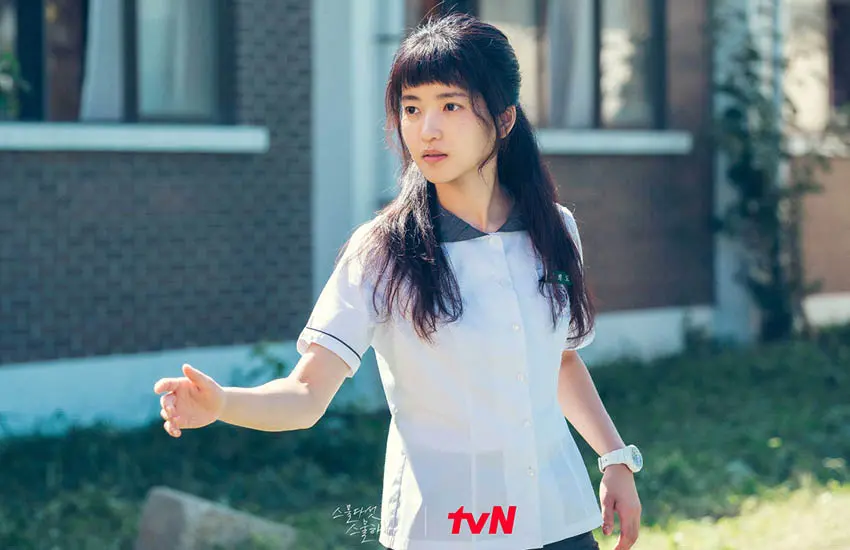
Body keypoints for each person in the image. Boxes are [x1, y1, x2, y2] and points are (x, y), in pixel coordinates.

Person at [153, 12, 642, 550]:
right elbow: (305, 393)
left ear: (504, 120)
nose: (426, 129)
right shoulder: (383, 251)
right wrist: (223, 403)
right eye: (412, 108)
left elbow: (559, 361)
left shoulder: (554, 228)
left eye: (450, 106)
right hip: (453, 530)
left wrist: (614, 457)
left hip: (559, 519)